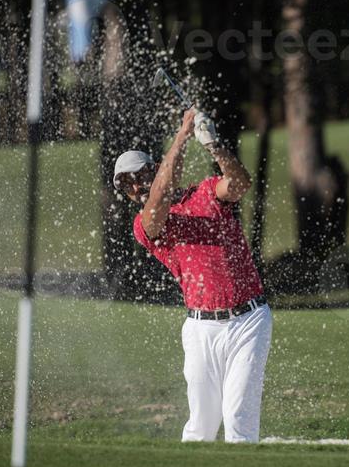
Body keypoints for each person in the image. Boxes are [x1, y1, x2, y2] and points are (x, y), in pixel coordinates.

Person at [113, 108, 272, 444]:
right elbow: (160, 197)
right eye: (128, 185)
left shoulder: (207, 191)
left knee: (238, 418)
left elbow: (240, 184)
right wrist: (184, 134)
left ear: (155, 169)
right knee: (200, 426)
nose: (137, 186)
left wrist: (214, 146)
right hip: (201, 329)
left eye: (141, 176)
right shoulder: (145, 226)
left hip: (249, 321)